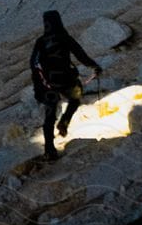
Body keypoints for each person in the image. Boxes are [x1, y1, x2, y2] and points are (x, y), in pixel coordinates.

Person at [30, 9, 102, 161]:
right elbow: (80, 55)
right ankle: (64, 121)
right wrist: (94, 67)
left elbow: (34, 63)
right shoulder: (65, 38)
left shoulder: (41, 41)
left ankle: (49, 150)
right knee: (75, 99)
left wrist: (41, 82)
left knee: (49, 114)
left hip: (48, 83)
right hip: (67, 79)